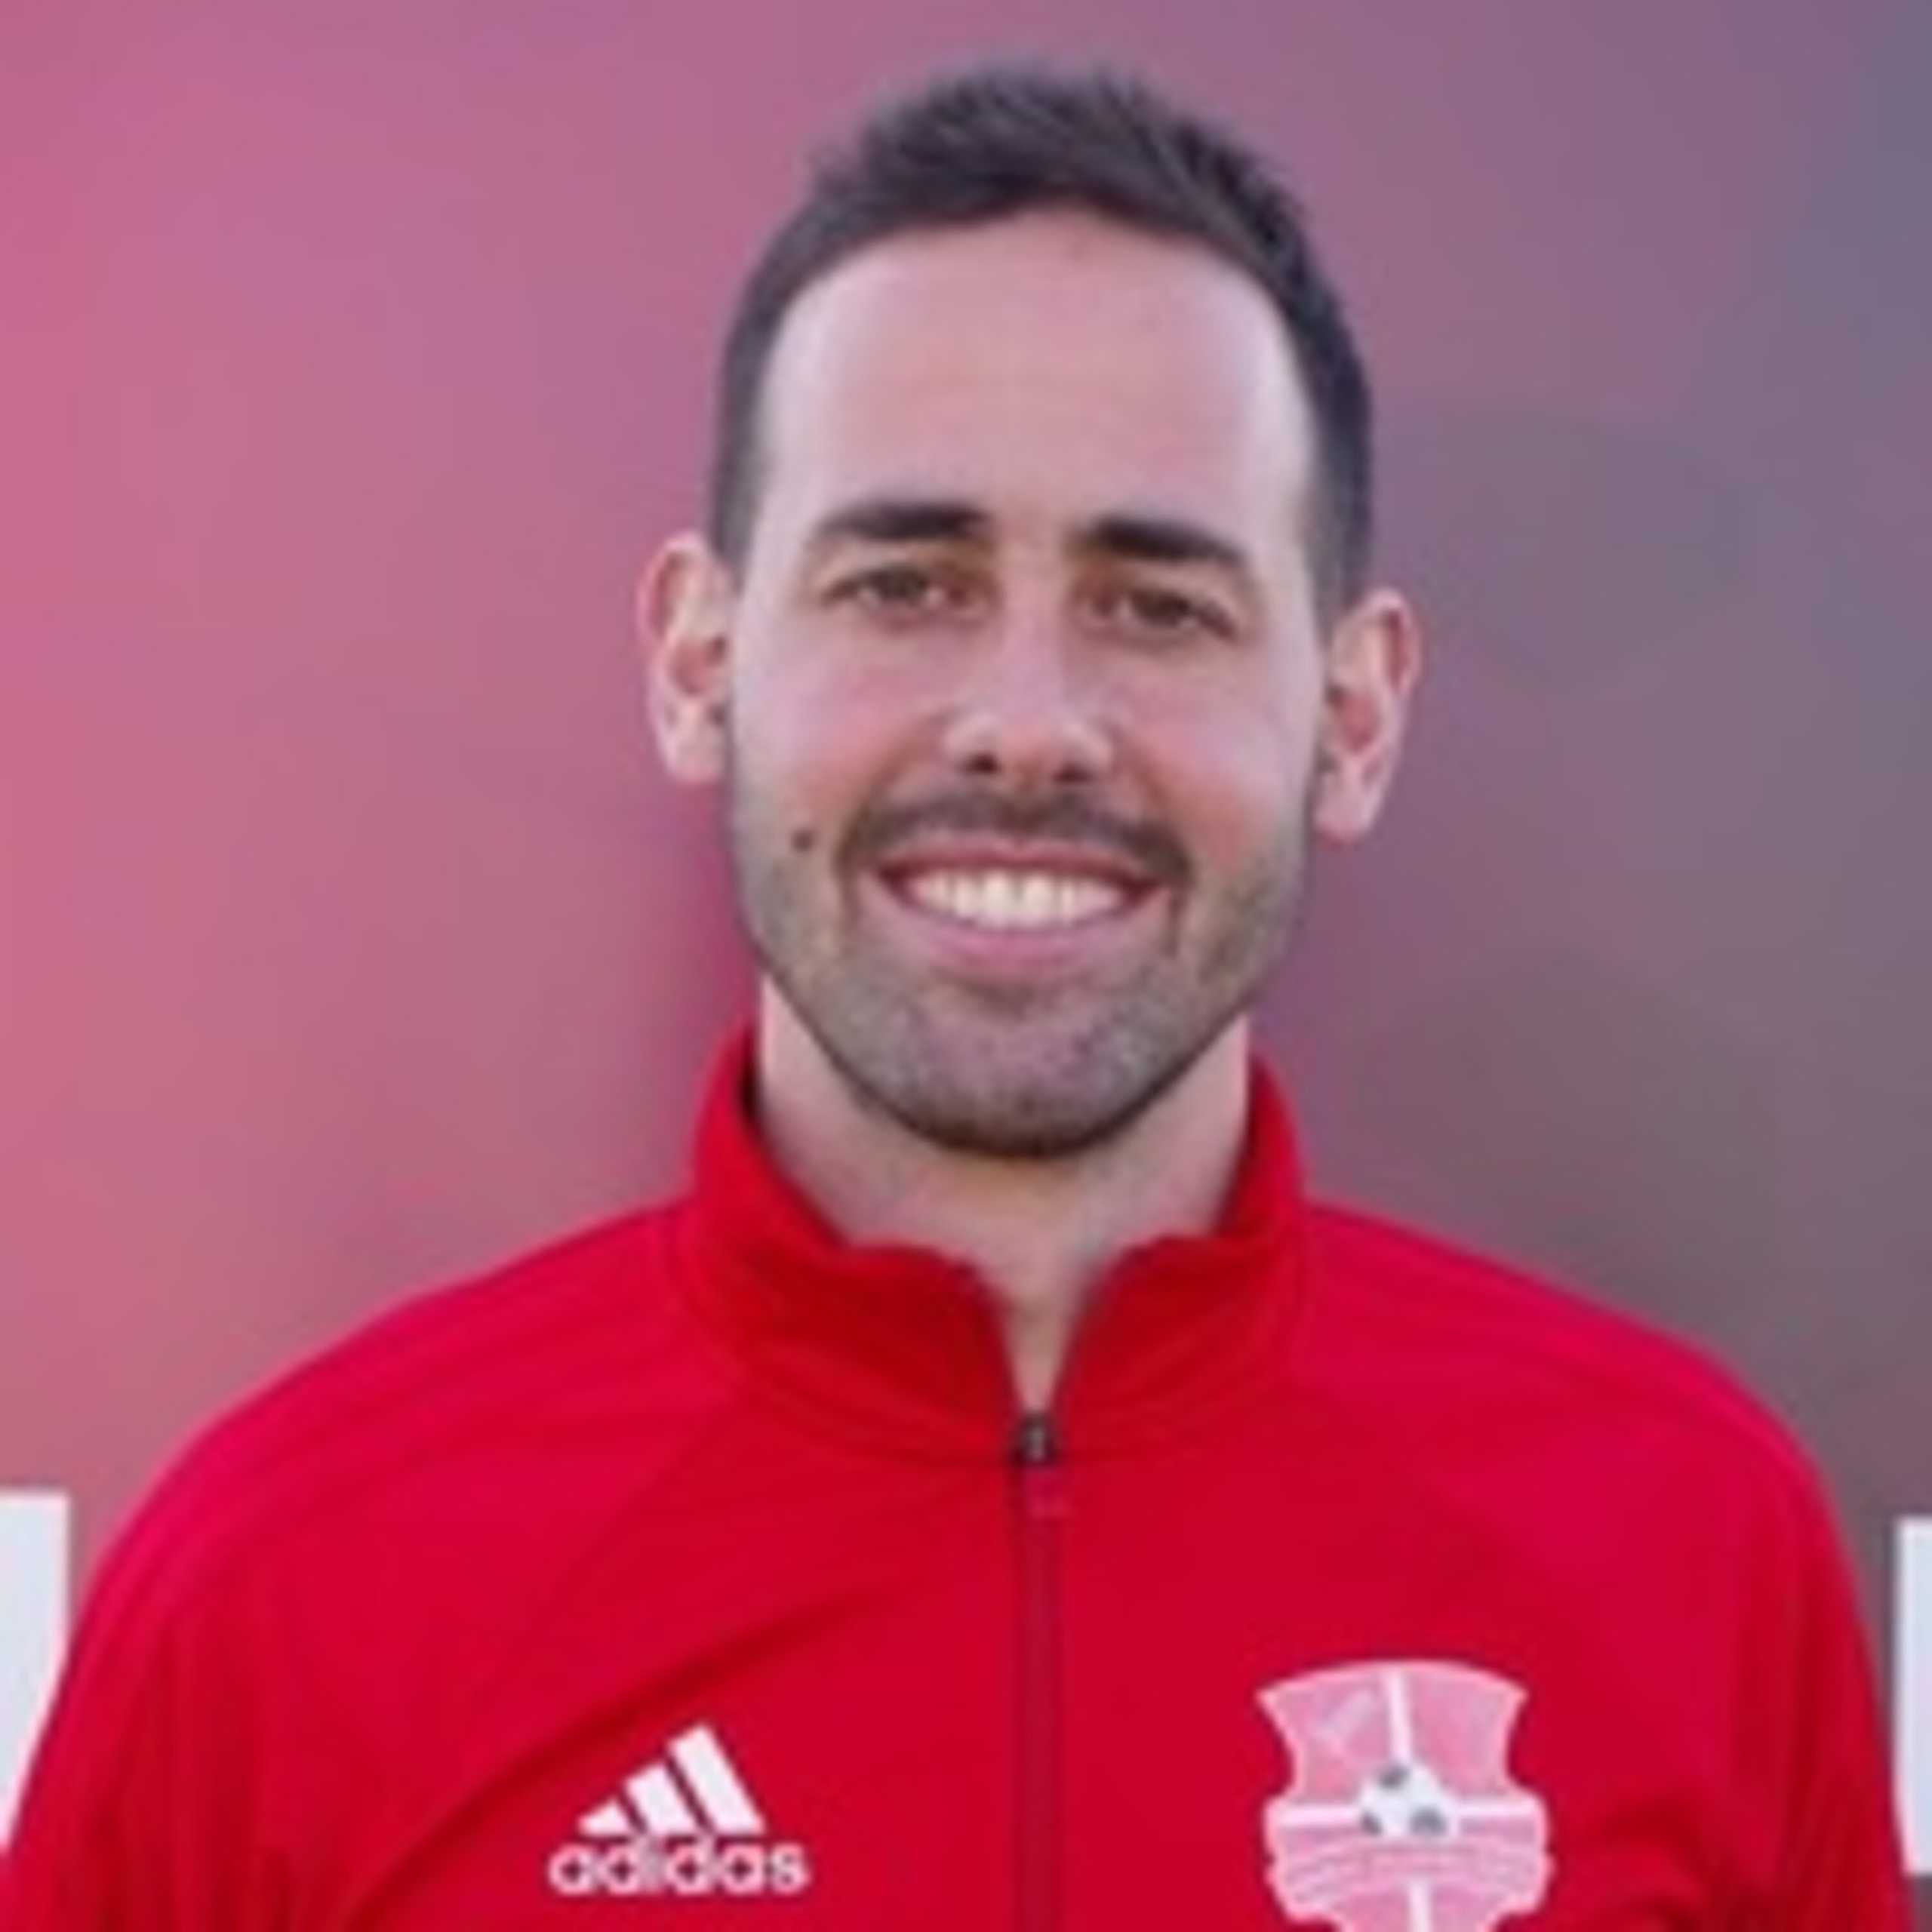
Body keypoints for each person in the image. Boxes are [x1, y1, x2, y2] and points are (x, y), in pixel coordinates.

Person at [2, 61, 1909, 1931]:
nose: (1024, 722)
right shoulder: (280, 1586)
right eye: (904, 584)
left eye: (1157, 603)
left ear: (1351, 712)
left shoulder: (1687, 1546)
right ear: (696, 661)